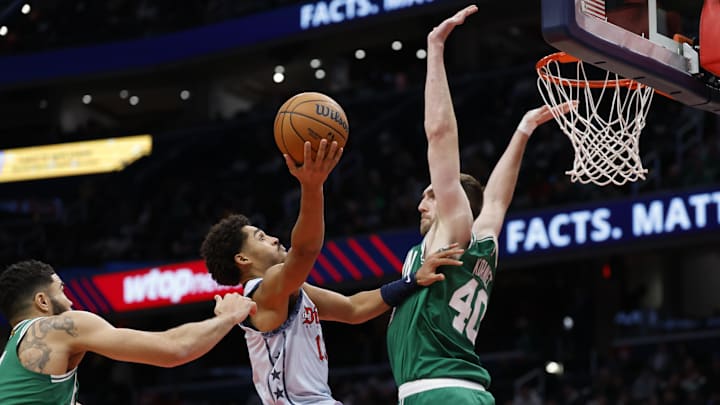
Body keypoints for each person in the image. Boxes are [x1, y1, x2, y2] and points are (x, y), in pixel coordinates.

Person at [385, 5, 574, 404]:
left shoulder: (450, 233)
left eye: (430, 195)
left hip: (436, 392)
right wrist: (522, 132)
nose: (421, 203)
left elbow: (438, 135)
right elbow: (498, 200)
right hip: (466, 392)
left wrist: (435, 48)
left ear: (455, 202)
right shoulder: (483, 242)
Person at [200, 139, 462, 404]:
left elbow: (352, 308)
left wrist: (412, 280)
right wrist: (312, 187)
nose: (273, 238)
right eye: (260, 237)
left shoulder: (290, 289)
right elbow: (304, 252)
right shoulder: (263, 294)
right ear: (242, 258)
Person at [0, 259, 257, 405]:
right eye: (63, 291)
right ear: (43, 302)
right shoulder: (58, 326)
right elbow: (173, 349)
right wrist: (228, 317)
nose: (70, 302)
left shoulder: (8, 361)